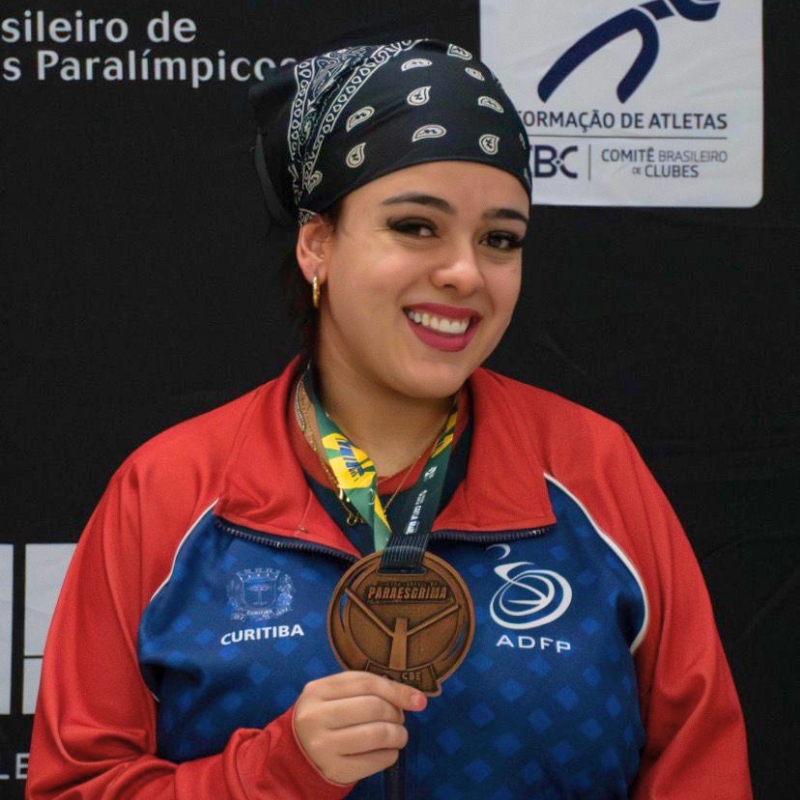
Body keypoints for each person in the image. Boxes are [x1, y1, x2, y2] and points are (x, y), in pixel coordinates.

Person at [27, 40, 751, 799]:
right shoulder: (170, 488)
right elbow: (77, 787)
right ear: (317, 244)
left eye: (500, 239)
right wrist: (275, 773)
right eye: (416, 226)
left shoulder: (591, 465)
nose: (465, 272)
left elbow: (701, 767)